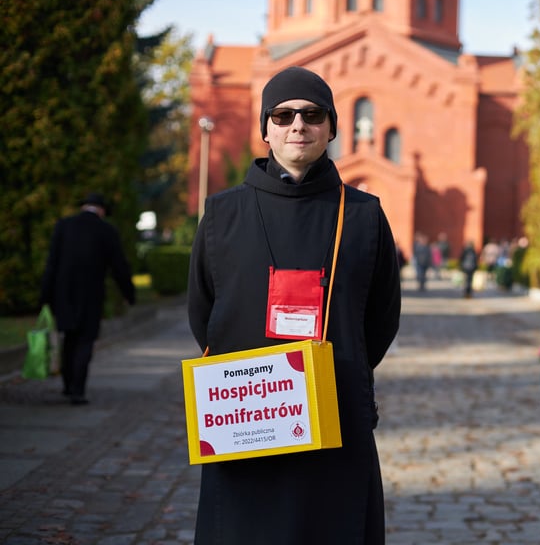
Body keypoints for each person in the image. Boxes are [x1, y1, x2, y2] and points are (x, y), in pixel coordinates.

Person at [187, 66, 401, 544]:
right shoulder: (223, 214)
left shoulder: (365, 215)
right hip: (248, 423)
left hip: (335, 418)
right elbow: (203, 314)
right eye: (282, 116)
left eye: (312, 114)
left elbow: (382, 319)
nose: (297, 125)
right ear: (265, 129)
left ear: (331, 128)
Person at [40, 193, 136, 405]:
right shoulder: (106, 230)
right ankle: (77, 389)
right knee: (85, 341)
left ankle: (67, 385)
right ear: (101, 210)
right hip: (91, 296)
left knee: (69, 338)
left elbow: (51, 264)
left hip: (63, 294)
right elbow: (119, 267)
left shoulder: (63, 226)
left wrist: (44, 297)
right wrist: (129, 294)